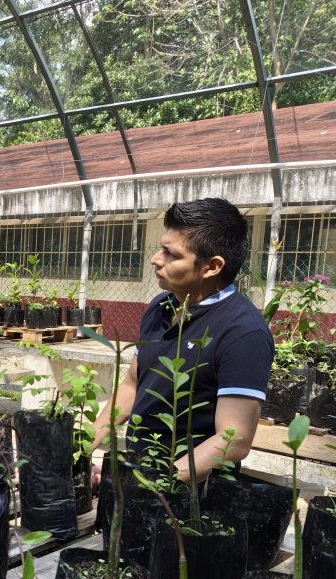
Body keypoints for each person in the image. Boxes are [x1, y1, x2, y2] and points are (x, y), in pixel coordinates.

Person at [91, 197, 274, 484]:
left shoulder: (243, 333)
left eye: (171, 254)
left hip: (189, 493)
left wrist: (155, 485)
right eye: (160, 249)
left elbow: (234, 439)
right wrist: (82, 447)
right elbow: (132, 384)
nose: (155, 259)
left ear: (212, 266)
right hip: (141, 473)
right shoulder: (160, 306)